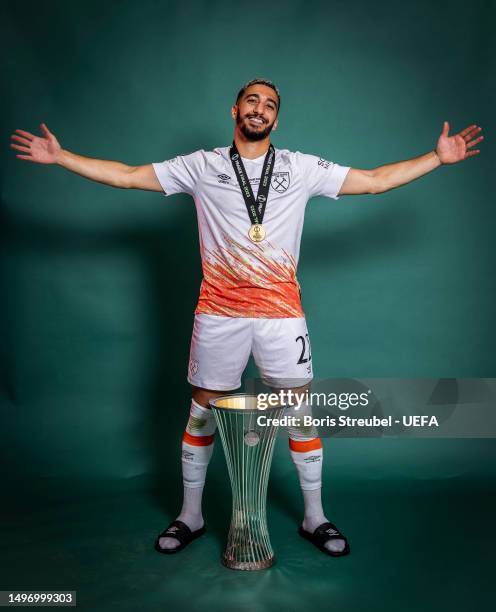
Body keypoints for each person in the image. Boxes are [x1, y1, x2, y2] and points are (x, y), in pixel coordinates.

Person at [10, 78, 483, 558]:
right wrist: (63, 157)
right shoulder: (201, 165)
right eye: (252, 101)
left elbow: (376, 180)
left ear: (276, 119)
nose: (260, 109)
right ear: (235, 109)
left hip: (282, 316)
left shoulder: (300, 168)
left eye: (270, 105)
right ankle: (190, 516)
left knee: (299, 410)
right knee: (203, 409)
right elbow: (129, 175)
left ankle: (314, 517)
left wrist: (436, 159)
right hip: (219, 312)